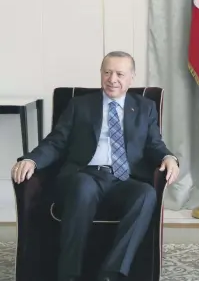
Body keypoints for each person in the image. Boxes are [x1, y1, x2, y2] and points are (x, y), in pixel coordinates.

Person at [11, 51, 180, 281]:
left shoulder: (144, 107)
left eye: (120, 74)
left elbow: (154, 144)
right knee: (83, 187)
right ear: (100, 73)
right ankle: (69, 274)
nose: (113, 79)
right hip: (85, 175)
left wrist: (169, 157)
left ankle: (111, 274)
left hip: (125, 180)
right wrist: (31, 159)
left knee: (146, 194)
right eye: (107, 72)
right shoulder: (79, 105)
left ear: (131, 77)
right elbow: (56, 141)